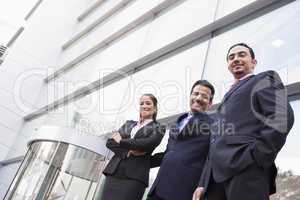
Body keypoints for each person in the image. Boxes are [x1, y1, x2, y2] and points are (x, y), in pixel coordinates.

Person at [193, 43, 294, 200]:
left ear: (253, 62)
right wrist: (203, 182)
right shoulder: (225, 99)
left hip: (246, 169)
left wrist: (256, 155)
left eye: (242, 55)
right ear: (228, 65)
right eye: (231, 57)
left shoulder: (264, 79)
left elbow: (282, 116)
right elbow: (215, 142)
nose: (236, 59)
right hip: (214, 181)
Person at [147, 80, 215, 200]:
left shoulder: (214, 125)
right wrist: (141, 161)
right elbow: (169, 152)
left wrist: (203, 185)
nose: (198, 98)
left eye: (204, 96)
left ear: (210, 104)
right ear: (190, 96)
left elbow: (212, 159)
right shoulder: (178, 121)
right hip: (158, 188)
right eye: (196, 93)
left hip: (184, 190)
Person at [101, 94, 166, 200]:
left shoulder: (159, 127)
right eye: (142, 103)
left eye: (148, 103)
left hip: (135, 177)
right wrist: (128, 152)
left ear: (155, 108)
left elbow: (147, 143)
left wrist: (121, 141)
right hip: (114, 172)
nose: (144, 105)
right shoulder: (129, 124)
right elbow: (110, 142)